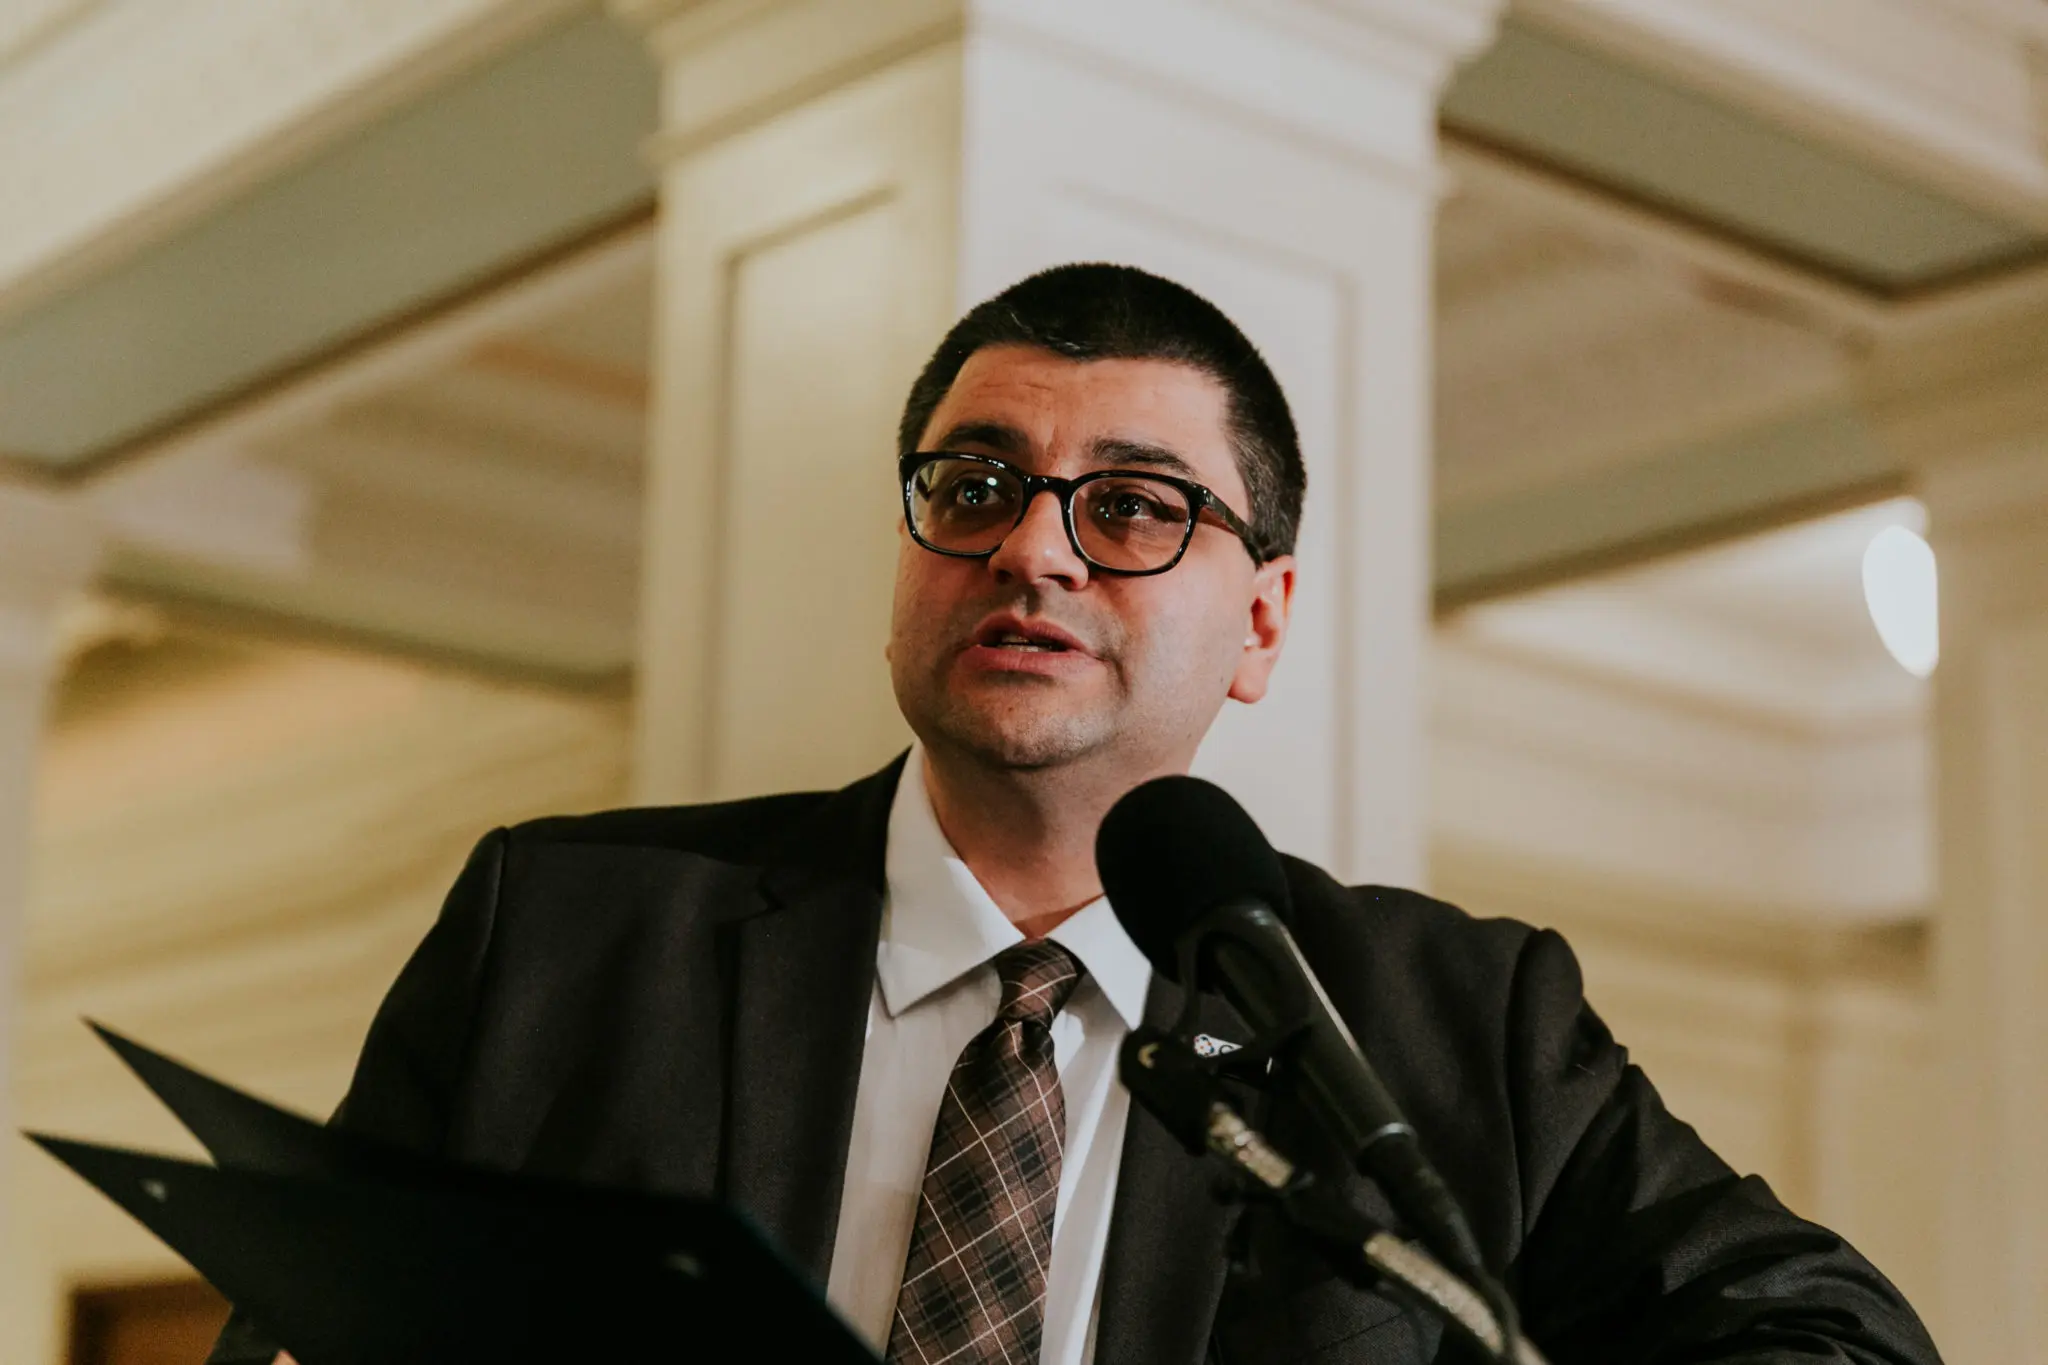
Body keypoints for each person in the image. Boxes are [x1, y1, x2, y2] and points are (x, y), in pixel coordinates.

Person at [213, 264, 1939, 1365]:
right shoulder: (565, 927)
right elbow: (298, 1328)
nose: (1032, 548)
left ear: (1262, 623)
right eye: (975, 487)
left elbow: (1830, 1336)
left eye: (1132, 508)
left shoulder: (1453, 1021)